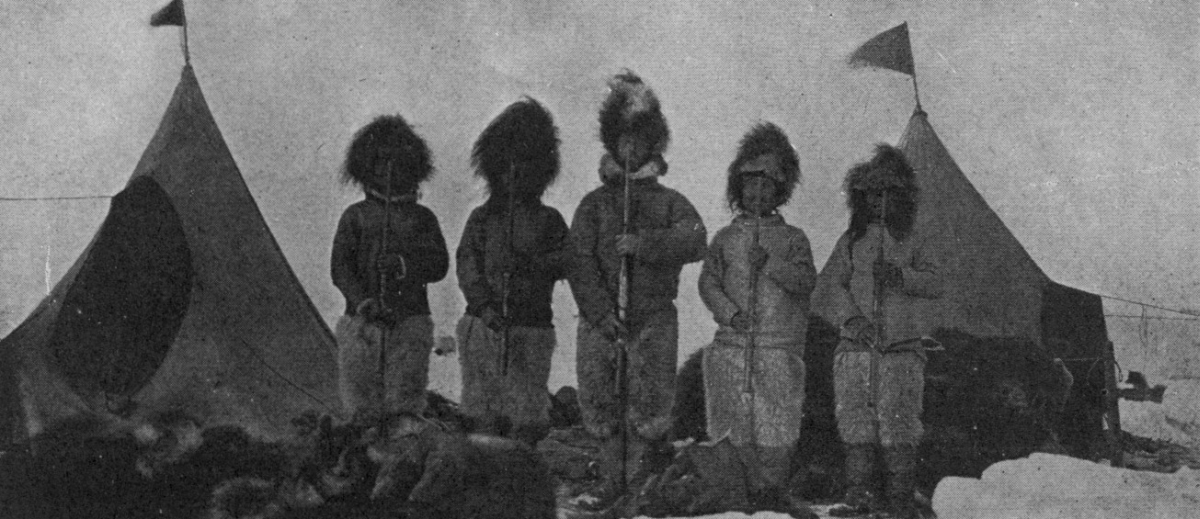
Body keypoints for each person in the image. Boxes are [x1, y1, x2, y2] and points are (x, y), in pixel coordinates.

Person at [569, 71, 707, 507]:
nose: (631, 149)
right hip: (602, 323)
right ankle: (611, 480)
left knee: (649, 405)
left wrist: (646, 244)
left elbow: (695, 239)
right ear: (612, 143)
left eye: (640, 141)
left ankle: (642, 485)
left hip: (653, 319)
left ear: (654, 145)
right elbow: (579, 260)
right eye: (624, 140)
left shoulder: (669, 202)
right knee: (602, 400)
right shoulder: (594, 205)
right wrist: (598, 312)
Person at [698, 122, 816, 518]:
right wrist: (730, 313)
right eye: (750, 184)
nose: (758, 193)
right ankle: (735, 495)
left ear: (781, 190)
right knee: (731, 420)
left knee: (776, 422)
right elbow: (708, 282)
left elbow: (806, 281)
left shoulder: (794, 239)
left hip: (777, 348)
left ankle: (770, 493)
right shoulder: (724, 239)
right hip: (732, 347)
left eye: (768, 185)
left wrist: (772, 265)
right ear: (738, 186)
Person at [825, 144, 944, 519]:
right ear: (862, 198)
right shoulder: (850, 242)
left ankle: (899, 498)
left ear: (902, 198)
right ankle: (859, 495)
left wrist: (901, 276)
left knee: (899, 421)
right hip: (856, 349)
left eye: (889, 194)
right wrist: (854, 320)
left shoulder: (914, 239)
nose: (880, 202)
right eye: (873, 195)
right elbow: (834, 286)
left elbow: (936, 281)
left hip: (900, 349)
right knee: (856, 420)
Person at [455, 97, 572, 446]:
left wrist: (531, 265)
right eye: (506, 165)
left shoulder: (549, 220)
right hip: (484, 326)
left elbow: (568, 260)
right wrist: (484, 306)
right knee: (482, 409)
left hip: (531, 326)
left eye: (524, 164)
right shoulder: (481, 219)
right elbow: (467, 266)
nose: (514, 173)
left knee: (526, 412)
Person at [331, 115, 449, 425]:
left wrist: (403, 264)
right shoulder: (355, 216)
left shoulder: (423, 218)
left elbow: (439, 265)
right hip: (362, 325)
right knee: (362, 408)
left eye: (398, 162)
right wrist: (363, 302)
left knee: (404, 407)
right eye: (380, 162)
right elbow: (340, 268)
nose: (389, 169)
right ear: (366, 166)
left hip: (409, 323)